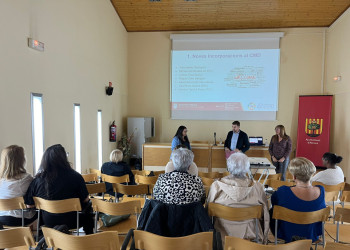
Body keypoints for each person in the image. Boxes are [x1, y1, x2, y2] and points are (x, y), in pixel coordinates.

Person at [24, 144, 94, 234]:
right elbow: (85, 199)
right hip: (73, 221)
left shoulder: (37, 180)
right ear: (64, 158)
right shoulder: (76, 177)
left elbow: (29, 205)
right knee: (89, 205)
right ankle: (89, 237)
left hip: (49, 221)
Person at [206, 152, 269, 244]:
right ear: (247, 168)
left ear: (229, 167)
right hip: (250, 238)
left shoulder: (216, 186)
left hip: (222, 237)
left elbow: (208, 210)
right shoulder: (258, 187)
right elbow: (265, 213)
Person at [270, 157, 326, 243]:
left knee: (272, 211)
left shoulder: (283, 191)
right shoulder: (321, 190)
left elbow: (273, 202)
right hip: (311, 235)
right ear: (312, 174)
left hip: (287, 235)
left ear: (294, 176)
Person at [0, 145, 37, 226]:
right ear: (22, 160)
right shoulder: (26, 179)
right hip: (19, 219)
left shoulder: (1, 180)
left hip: (1, 218)